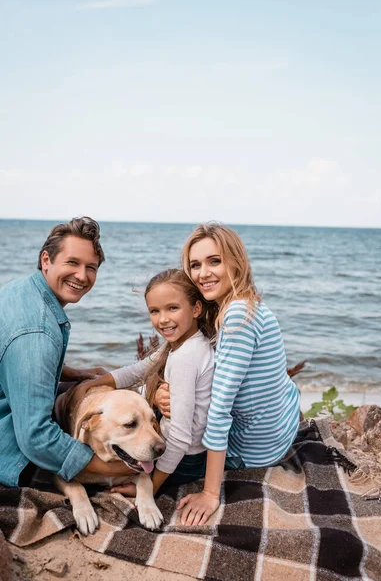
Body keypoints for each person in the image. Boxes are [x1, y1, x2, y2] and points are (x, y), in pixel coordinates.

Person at [164, 223, 300, 525]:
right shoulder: (247, 304)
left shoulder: (237, 314)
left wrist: (211, 493)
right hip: (282, 422)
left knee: (165, 445)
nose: (203, 273)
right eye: (195, 265)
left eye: (215, 261)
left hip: (255, 449)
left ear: (236, 262)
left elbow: (220, 407)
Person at [0, 216, 131, 487]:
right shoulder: (38, 332)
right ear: (46, 260)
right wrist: (121, 469)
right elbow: (36, 438)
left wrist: (75, 373)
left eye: (91, 267)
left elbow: (15, 360)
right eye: (72, 263)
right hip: (9, 455)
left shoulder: (22, 291)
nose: (82, 276)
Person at [69, 269, 215, 495]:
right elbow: (139, 369)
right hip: (186, 451)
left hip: (184, 460)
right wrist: (91, 383)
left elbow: (180, 436)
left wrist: (151, 487)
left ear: (196, 308)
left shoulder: (186, 358)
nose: (163, 319)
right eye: (154, 311)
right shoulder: (182, 344)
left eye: (172, 308)